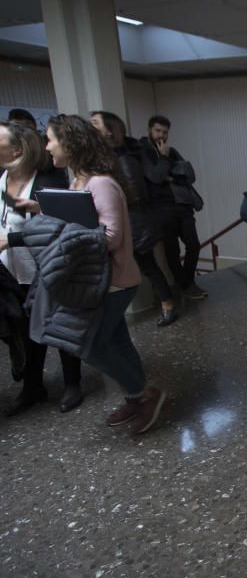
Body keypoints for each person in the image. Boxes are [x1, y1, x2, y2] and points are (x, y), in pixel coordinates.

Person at [7, 115, 165, 434]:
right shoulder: (78, 182)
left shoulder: (101, 183)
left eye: (51, 139)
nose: (47, 146)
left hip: (114, 282)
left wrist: (61, 235)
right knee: (117, 341)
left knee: (89, 346)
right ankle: (137, 396)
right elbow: (81, 221)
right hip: (100, 283)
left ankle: (147, 395)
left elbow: (111, 236)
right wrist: (41, 211)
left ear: (70, 144)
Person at [0, 121, 83, 415]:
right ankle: (33, 386)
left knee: (59, 325)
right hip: (12, 272)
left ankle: (73, 383)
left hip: (46, 267)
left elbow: (57, 229)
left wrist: (10, 239)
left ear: (18, 149)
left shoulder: (49, 183)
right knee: (25, 330)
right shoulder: (1, 179)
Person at [91, 111, 177, 327]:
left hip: (133, 221)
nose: (90, 127)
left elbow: (134, 191)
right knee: (144, 266)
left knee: (147, 266)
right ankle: (166, 303)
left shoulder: (125, 157)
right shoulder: (108, 157)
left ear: (109, 130)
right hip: (124, 220)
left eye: (95, 123)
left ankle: (168, 304)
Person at [139, 116, 207, 301]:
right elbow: (154, 176)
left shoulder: (172, 151)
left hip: (182, 205)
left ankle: (186, 281)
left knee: (193, 244)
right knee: (172, 250)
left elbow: (188, 175)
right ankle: (187, 285)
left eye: (165, 132)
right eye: (158, 131)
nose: (162, 135)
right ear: (149, 130)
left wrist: (171, 176)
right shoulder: (143, 151)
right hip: (160, 207)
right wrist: (163, 159)